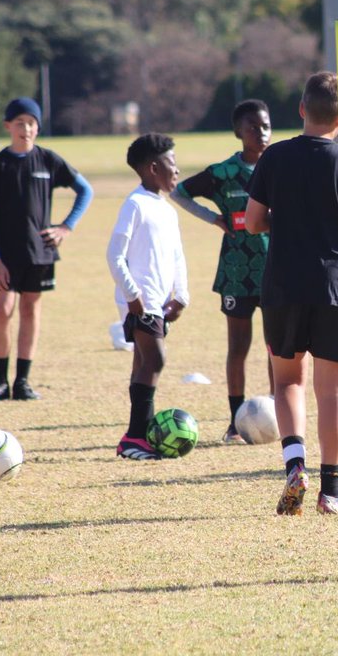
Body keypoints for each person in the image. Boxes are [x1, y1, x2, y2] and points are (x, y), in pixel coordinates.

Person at [245, 71, 338, 516]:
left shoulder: (274, 157)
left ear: (302, 109)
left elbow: (253, 221)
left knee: (286, 381)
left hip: (282, 284)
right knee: (334, 392)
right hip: (333, 288)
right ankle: (331, 491)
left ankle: (294, 465)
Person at [0, 98, 93, 402]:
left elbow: (86, 190)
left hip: (40, 251)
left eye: (31, 123)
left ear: (38, 127)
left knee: (30, 309)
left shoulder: (49, 160)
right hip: (6, 254)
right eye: (19, 123)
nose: (25, 128)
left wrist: (66, 226)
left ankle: (22, 382)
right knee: (3, 310)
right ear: (8, 126)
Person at [172, 100, 272, 442]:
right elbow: (179, 192)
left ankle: (279, 414)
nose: (261, 133)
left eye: (265, 126)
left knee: (278, 347)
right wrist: (212, 218)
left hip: (275, 269)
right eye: (253, 128)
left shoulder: (279, 166)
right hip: (236, 271)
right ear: (238, 132)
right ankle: (235, 419)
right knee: (238, 347)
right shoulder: (224, 172)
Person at [107, 134, 189, 460]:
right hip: (141, 300)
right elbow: (114, 255)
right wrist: (133, 295)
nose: (178, 170)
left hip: (159, 300)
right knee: (155, 360)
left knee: (144, 361)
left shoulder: (167, 209)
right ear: (153, 168)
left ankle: (138, 436)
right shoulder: (135, 205)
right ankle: (135, 437)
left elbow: (177, 255)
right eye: (172, 163)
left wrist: (181, 295)